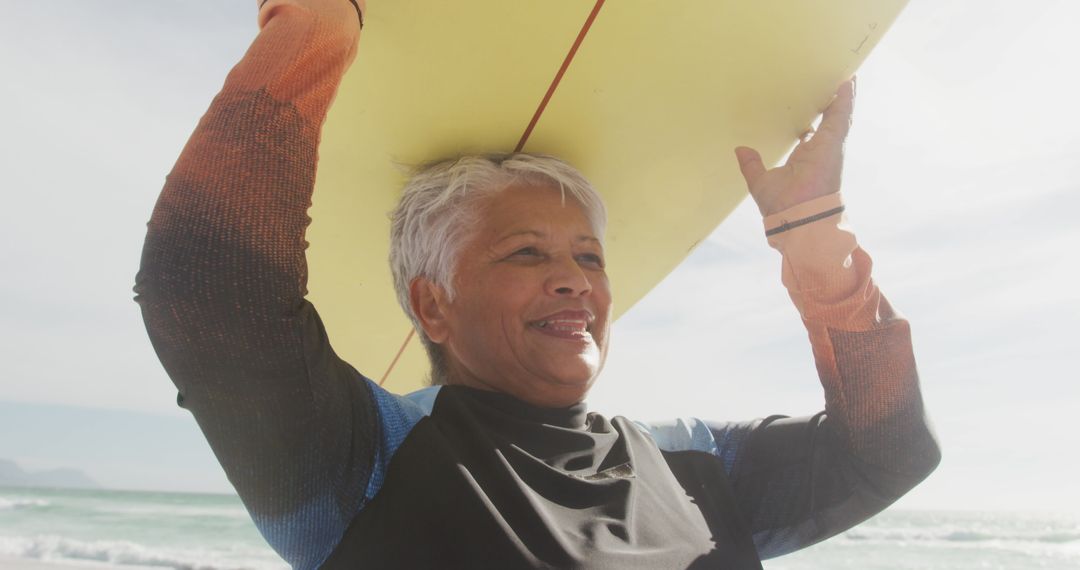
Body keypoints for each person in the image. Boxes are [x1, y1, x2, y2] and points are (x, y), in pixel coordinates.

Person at [134, 0, 940, 568]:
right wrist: (319, 23)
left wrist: (814, 245)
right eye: (526, 254)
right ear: (431, 304)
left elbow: (887, 453)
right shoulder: (363, 465)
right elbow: (209, 286)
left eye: (590, 258)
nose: (573, 282)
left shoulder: (687, 462)